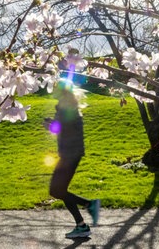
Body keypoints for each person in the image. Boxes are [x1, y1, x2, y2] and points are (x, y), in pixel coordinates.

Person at [43, 80, 100, 239]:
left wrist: (48, 125)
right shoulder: (69, 107)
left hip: (69, 155)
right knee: (60, 190)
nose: (53, 90)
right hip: (70, 154)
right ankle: (81, 225)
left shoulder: (65, 108)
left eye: (56, 88)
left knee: (56, 190)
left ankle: (90, 205)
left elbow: (59, 127)